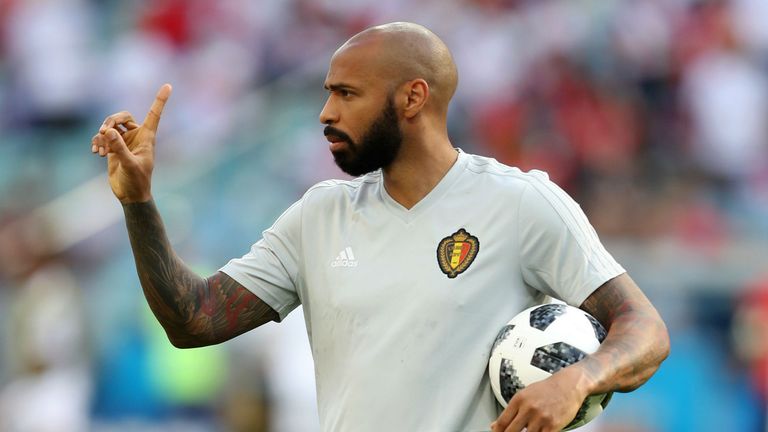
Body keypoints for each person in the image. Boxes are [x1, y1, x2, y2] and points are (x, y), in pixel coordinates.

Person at [90, 22, 670, 432]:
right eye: (327, 94)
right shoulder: (318, 216)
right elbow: (195, 320)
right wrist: (139, 202)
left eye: (346, 94)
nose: (326, 113)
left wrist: (578, 379)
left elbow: (644, 330)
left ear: (412, 97)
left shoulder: (521, 204)